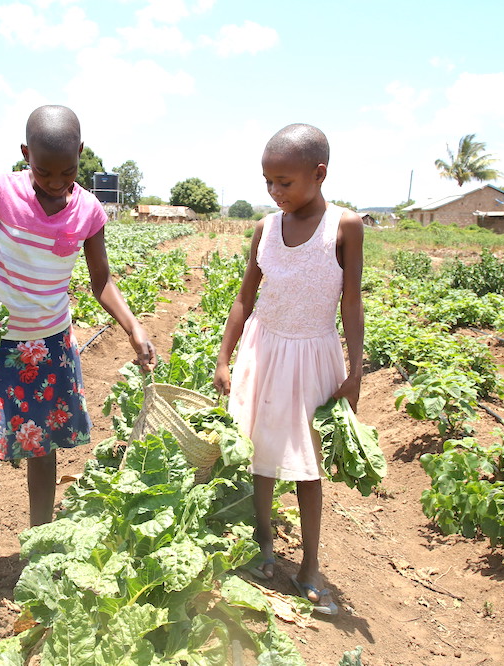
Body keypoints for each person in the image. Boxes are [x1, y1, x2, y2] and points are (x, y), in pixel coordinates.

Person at [0, 105, 156, 640]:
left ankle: (40, 553)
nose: (54, 184)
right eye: (44, 172)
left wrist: (134, 326)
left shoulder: (89, 211)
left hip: (47, 348)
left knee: (42, 449)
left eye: (66, 173)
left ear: (79, 160)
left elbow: (101, 281)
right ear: (26, 157)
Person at [212, 123, 364, 617]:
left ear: (319, 174)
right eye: (268, 183)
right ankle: (262, 548)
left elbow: (352, 303)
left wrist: (356, 370)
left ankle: (310, 565)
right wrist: (223, 356)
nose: (276, 192)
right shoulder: (264, 228)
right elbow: (244, 298)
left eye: (285, 182)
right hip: (264, 348)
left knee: (307, 465)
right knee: (260, 452)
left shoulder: (345, 227)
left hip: (313, 354)